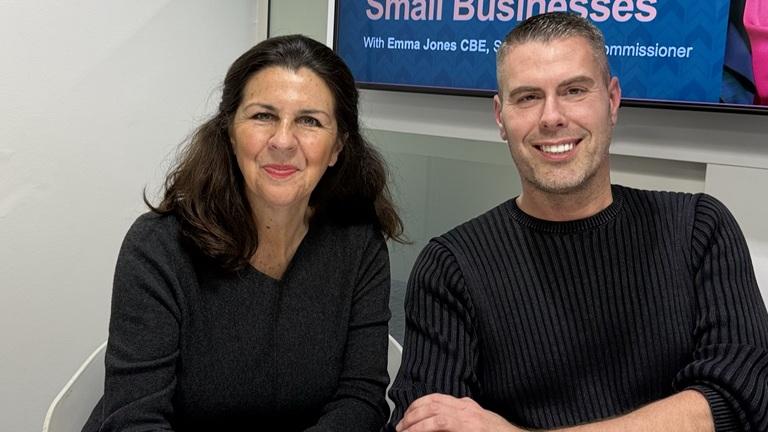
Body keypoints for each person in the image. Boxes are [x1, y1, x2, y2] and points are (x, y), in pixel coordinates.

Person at [386, 12, 768, 432]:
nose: (551, 117)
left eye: (573, 90)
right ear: (500, 116)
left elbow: (741, 400)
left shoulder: (699, 229)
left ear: (612, 100)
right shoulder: (450, 268)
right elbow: (428, 425)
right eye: (528, 97)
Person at [82, 34, 405, 431]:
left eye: (309, 121)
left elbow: (361, 398)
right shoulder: (159, 247)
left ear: (337, 147)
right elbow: (134, 419)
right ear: (229, 133)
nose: (283, 141)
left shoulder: (357, 245)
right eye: (263, 116)